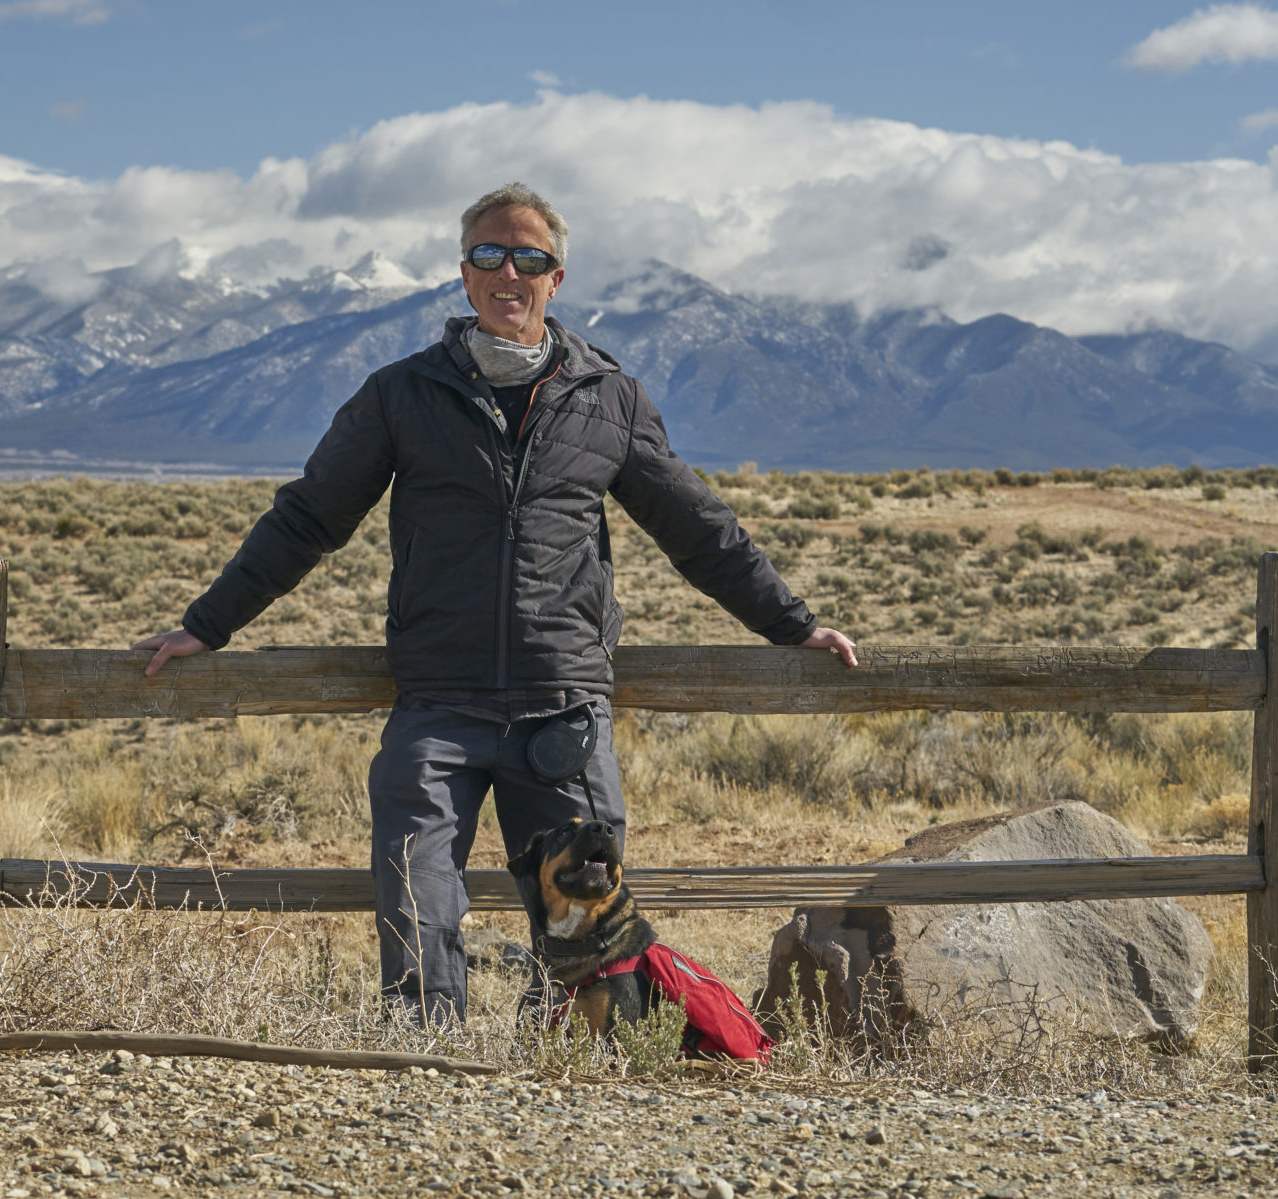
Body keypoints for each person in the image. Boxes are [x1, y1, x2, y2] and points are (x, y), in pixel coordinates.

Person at [136, 183, 857, 1025]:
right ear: (464, 273)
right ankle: (425, 1060)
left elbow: (696, 526)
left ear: (558, 276)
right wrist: (208, 624)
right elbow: (309, 518)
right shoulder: (401, 395)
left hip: (563, 707)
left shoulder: (608, 399)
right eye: (487, 255)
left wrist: (792, 623)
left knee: (587, 933)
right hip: (438, 704)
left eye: (528, 258)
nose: (506, 272)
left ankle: (578, 1069)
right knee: (416, 895)